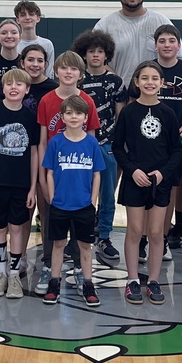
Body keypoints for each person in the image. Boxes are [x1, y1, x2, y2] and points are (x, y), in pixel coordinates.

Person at [114, 61, 182, 305]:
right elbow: (117, 147)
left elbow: (177, 150)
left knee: (155, 232)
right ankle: (133, 279)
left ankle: (153, 280)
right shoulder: (128, 112)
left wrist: (163, 173)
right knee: (134, 230)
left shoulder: (168, 113)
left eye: (155, 78)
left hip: (159, 182)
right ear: (136, 82)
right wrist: (132, 170)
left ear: (162, 83)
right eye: (144, 78)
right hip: (135, 180)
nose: (150, 82)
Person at [35, 51, 100, 293]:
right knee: (51, 221)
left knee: (80, 227)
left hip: (79, 176)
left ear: (81, 74)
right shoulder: (46, 100)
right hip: (55, 175)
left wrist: (91, 188)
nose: (68, 72)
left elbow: (91, 143)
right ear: (56, 71)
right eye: (64, 67)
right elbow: (42, 142)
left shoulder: (87, 102)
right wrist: (43, 178)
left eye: (74, 68)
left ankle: (79, 268)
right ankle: (48, 266)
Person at [0, 68, 40, 300]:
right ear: (2, 88)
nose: (14, 87)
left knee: (17, 228)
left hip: (21, 184)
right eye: (9, 83)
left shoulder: (30, 116)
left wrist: (32, 187)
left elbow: (34, 153)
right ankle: (1, 274)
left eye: (19, 84)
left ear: (27, 89)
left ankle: (14, 275)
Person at [41, 95, 106, 307]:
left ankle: (88, 284)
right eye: (69, 113)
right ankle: (54, 283)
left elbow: (97, 174)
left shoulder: (92, 143)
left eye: (78, 113)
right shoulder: (56, 142)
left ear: (86, 117)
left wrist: (93, 200)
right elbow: (50, 172)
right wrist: (52, 197)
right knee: (58, 244)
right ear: (62, 117)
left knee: (85, 246)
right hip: (60, 204)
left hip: (84, 205)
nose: (74, 117)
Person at [72, 29, 127, 265]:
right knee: (80, 192)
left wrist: (117, 142)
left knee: (106, 193)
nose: (95, 55)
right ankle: (78, 237)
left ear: (107, 55)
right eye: (91, 51)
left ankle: (104, 236)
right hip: (80, 145)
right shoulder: (77, 80)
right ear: (84, 54)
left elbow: (120, 115)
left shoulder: (115, 82)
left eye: (100, 51)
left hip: (107, 145)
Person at [152, 24, 182, 260]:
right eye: (162, 41)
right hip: (149, 137)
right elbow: (135, 99)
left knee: (170, 189)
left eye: (171, 40)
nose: (167, 45)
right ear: (155, 46)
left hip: (175, 141)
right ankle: (144, 239)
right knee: (146, 188)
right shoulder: (148, 68)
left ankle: (162, 239)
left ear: (179, 45)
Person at [94, 0, 177, 85]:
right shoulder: (104, 25)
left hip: (153, 91)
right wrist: (116, 81)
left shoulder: (161, 21)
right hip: (119, 92)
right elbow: (93, 60)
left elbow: (176, 58)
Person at [15, 0, 56, 78]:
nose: (27, 17)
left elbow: (49, 73)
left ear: (38, 18)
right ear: (17, 20)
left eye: (31, 14)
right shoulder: (13, 44)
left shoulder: (47, 44)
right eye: (23, 15)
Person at [19, 43, 58, 116]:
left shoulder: (54, 88)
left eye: (40, 61)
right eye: (30, 60)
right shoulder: (16, 86)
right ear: (22, 63)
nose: (35, 64)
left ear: (45, 65)